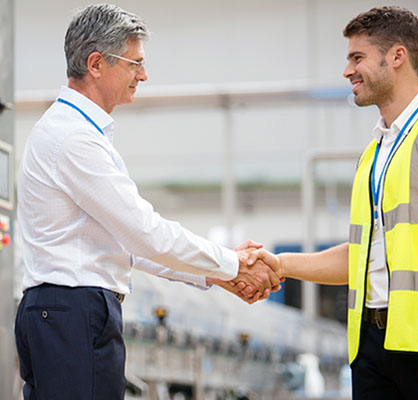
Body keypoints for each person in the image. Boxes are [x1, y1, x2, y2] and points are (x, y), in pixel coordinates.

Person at [14, 4, 279, 400]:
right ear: (97, 63)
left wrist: (217, 274)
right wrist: (233, 263)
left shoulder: (81, 133)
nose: (144, 74)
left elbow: (127, 244)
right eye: (134, 63)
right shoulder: (73, 139)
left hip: (70, 312)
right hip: (73, 312)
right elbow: (144, 232)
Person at [245, 6, 418, 400]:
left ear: (397, 56)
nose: (347, 70)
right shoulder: (376, 152)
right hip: (373, 349)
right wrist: (281, 264)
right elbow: (361, 258)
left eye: (357, 57)